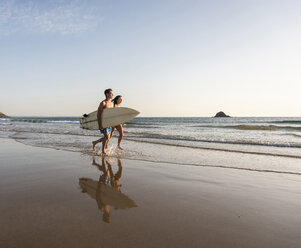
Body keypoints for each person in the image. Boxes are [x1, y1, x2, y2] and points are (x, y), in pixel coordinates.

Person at [92, 89, 114, 154]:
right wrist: (100, 125)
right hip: (103, 122)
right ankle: (103, 151)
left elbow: (112, 114)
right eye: (111, 93)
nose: (112, 95)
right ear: (107, 94)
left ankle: (95, 142)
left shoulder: (112, 103)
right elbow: (98, 115)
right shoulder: (103, 103)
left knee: (107, 138)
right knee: (107, 137)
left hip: (109, 123)